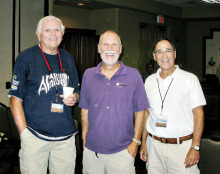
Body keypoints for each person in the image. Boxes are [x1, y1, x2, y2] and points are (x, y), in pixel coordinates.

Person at [8, 15, 80, 174]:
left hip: (65, 139)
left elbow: (77, 92)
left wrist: (75, 97)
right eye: (47, 30)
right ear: (38, 34)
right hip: (35, 136)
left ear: (62, 34)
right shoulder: (26, 57)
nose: (53, 34)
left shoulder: (67, 58)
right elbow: (15, 100)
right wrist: (25, 134)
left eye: (57, 30)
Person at [79, 30, 150, 174]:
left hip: (122, 152)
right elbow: (84, 110)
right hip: (92, 153)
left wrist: (136, 142)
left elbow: (140, 111)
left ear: (121, 49)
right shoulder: (88, 74)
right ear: (99, 48)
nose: (110, 49)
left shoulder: (133, 75)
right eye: (105, 44)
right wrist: (84, 138)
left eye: (114, 45)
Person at [140, 38, 206, 174]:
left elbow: (199, 114)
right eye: (160, 52)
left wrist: (195, 147)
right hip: (154, 147)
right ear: (154, 56)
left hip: (181, 148)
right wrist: (144, 142)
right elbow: (147, 114)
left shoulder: (190, 79)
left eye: (168, 51)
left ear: (175, 54)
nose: (164, 56)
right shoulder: (149, 81)